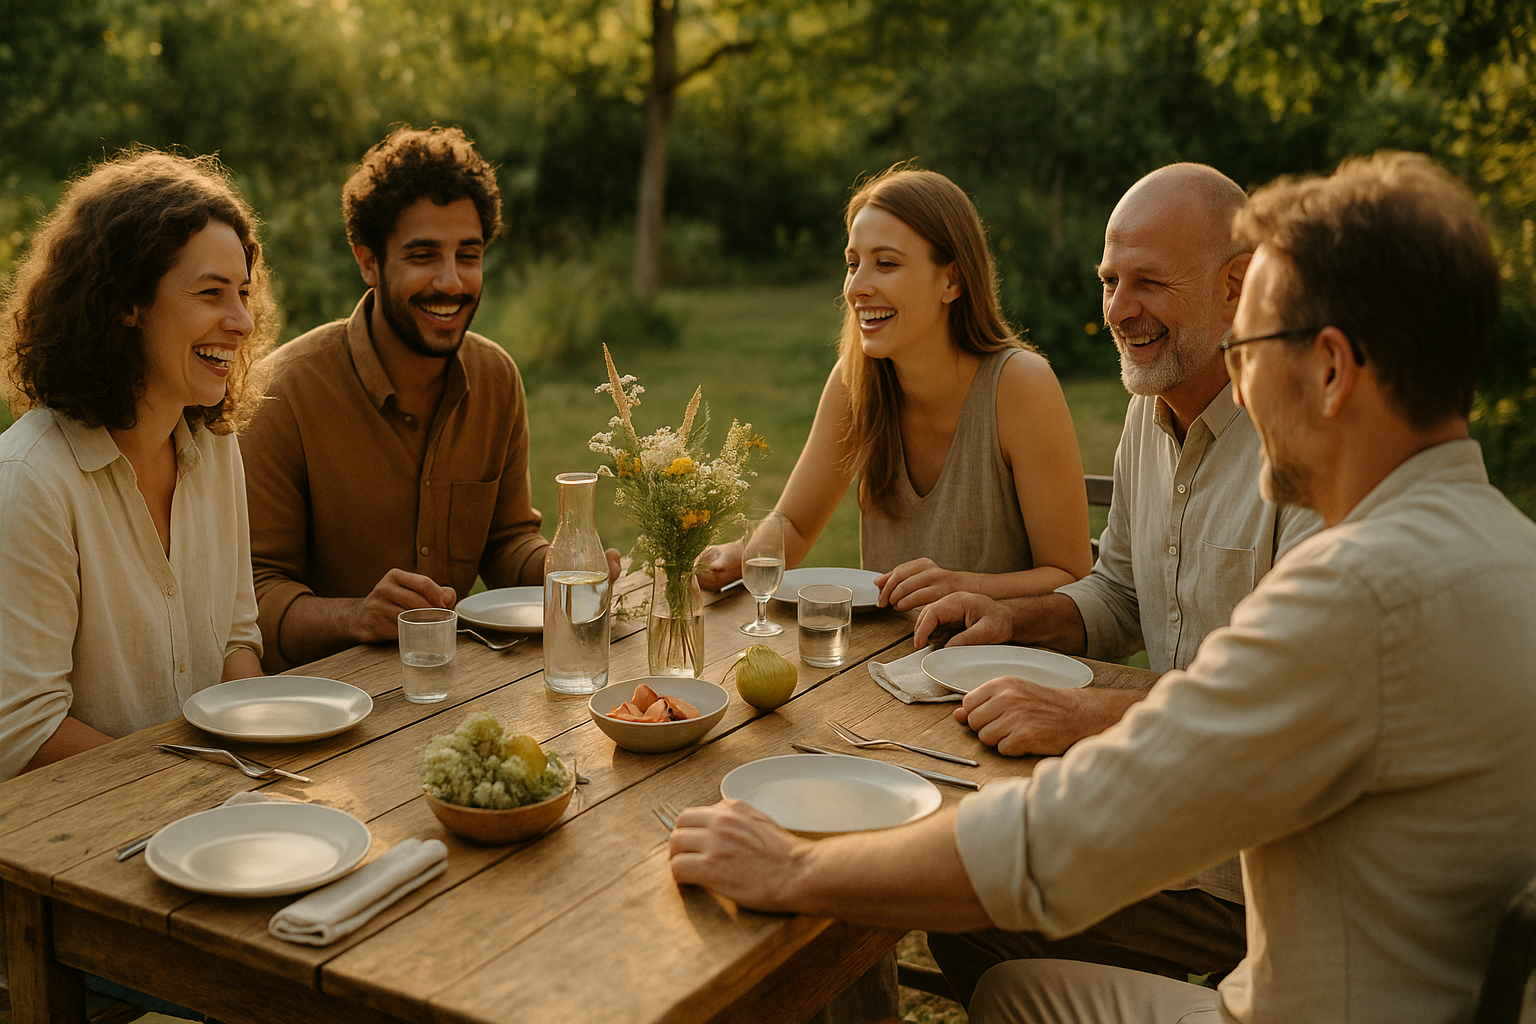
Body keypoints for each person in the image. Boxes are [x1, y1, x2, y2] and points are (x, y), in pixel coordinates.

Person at [666, 151, 1536, 1022]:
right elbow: (1117, 591)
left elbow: (1062, 843)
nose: (1244, 378)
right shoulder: (1508, 547)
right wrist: (1011, 612)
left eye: (1255, 348)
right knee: (1017, 984)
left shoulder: (1358, 590)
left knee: (985, 934)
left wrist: (796, 868)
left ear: (1333, 368)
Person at [909, 163, 1322, 1001]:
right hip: (1154, 794)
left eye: (1149, 284)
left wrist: (1089, 715)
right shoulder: (1152, 404)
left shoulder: (1307, 441)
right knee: (956, 853)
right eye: (1109, 281)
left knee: (971, 904)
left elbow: (1298, 711)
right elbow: (1120, 595)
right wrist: (1009, 615)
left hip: (1252, 860)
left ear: (1236, 286)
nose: (1119, 311)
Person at [239, 125, 617, 672]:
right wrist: (356, 616)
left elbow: (506, 542)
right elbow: (250, 595)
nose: (451, 282)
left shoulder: (496, 379)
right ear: (368, 261)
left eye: (468, 254)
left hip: (453, 687)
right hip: (319, 713)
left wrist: (568, 568)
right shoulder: (282, 395)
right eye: (423, 256)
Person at [697, 166, 1092, 611]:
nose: (856, 288)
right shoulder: (856, 380)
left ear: (952, 281)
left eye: (885, 263)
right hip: (888, 663)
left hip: (1003, 668)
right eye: (852, 264)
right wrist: (741, 556)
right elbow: (795, 524)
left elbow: (1072, 578)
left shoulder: (1020, 385)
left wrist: (962, 587)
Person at [0, 150, 270, 783]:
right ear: (126, 303)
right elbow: (23, 728)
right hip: (71, 846)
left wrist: (257, 748)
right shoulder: (30, 480)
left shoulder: (215, 444)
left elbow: (236, 638)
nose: (242, 321)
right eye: (211, 293)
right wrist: (191, 780)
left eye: (243, 294)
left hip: (216, 809)